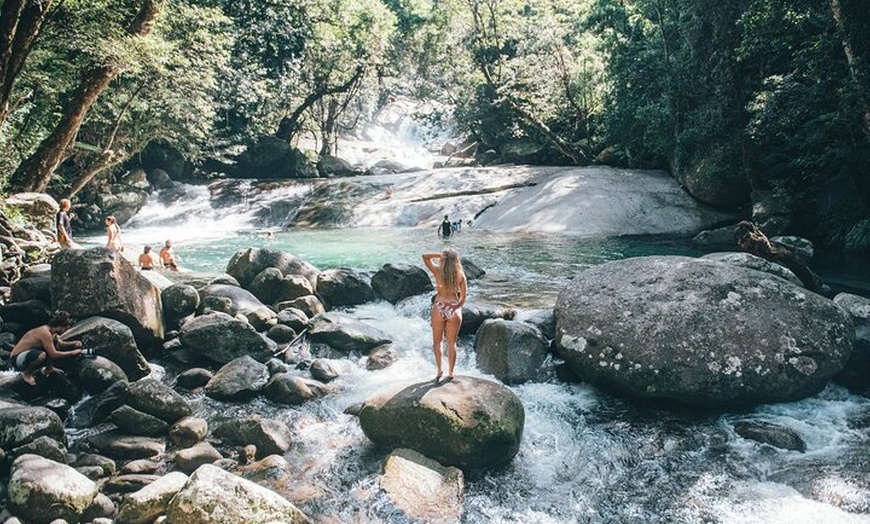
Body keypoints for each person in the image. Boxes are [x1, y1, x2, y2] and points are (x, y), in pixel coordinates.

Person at [422, 248, 467, 382]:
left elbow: (425, 256)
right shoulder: (460, 275)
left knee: (437, 342)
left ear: (443, 259)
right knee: (451, 343)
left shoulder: (437, 271)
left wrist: (438, 255)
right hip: (453, 308)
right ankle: (451, 372)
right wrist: (456, 307)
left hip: (439, 307)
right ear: (456, 260)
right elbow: (463, 297)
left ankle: (439, 370)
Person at [9, 311, 83, 385]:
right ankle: (27, 374)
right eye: (65, 329)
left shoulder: (52, 333)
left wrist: (73, 343)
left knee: (54, 342)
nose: (65, 332)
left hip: (26, 355)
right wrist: (72, 352)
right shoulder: (45, 333)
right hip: (16, 359)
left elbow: (60, 344)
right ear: (60, 326)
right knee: (41, 355)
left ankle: (49, 368)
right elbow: (54, 354)